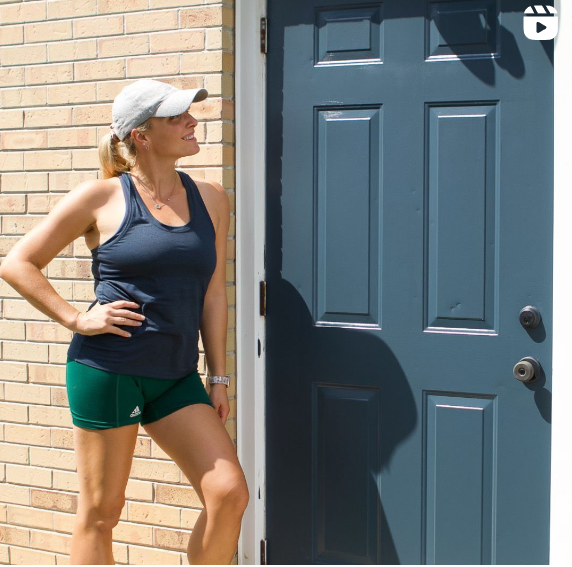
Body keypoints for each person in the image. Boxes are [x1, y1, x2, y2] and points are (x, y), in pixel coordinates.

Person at [0, 78, 249, 565]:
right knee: (102, 513)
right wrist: (76, 318)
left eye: (189, 114)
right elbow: (18, 263)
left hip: (176, 376)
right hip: (110, 370)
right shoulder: (100, 199)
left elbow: (213, 294)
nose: (192, 122)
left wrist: (218, 376)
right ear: (142, 134)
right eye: (177, 117)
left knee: (228, 493)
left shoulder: (212, 198)